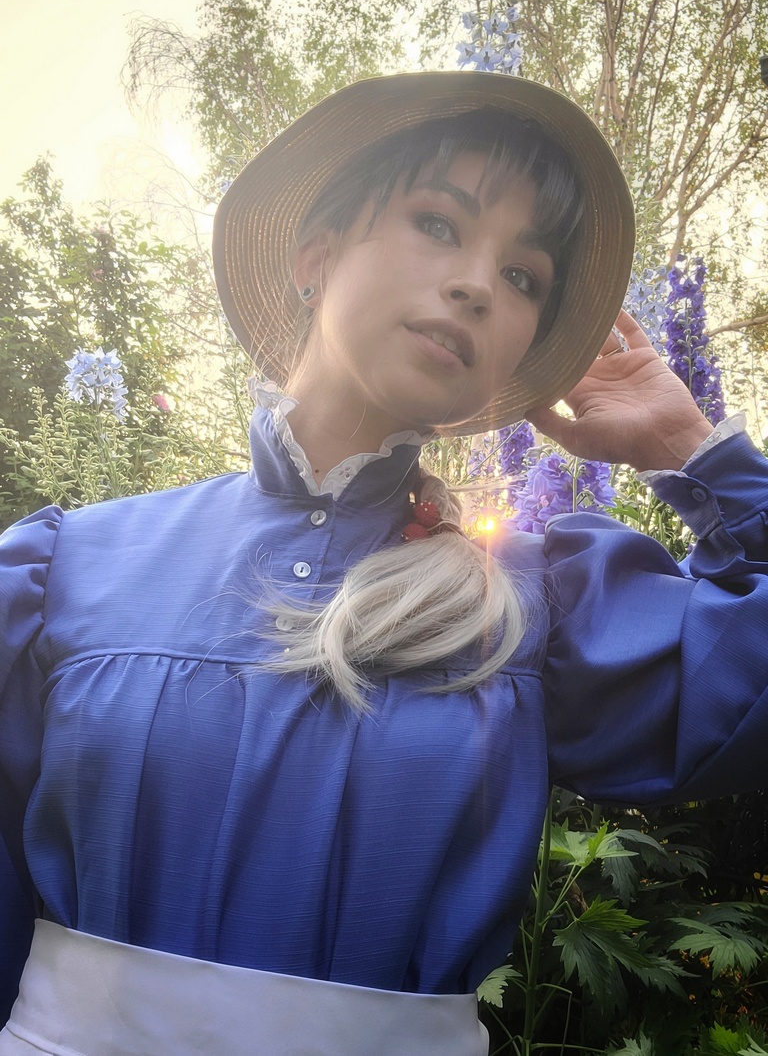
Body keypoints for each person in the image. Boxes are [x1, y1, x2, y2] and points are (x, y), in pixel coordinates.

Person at [0, 71, 766, 1056]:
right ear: (315, 255)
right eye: (440, 224)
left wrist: (696, 455)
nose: (479, 283)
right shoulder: (66, 567)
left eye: (524, 276)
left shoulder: (542, 602)